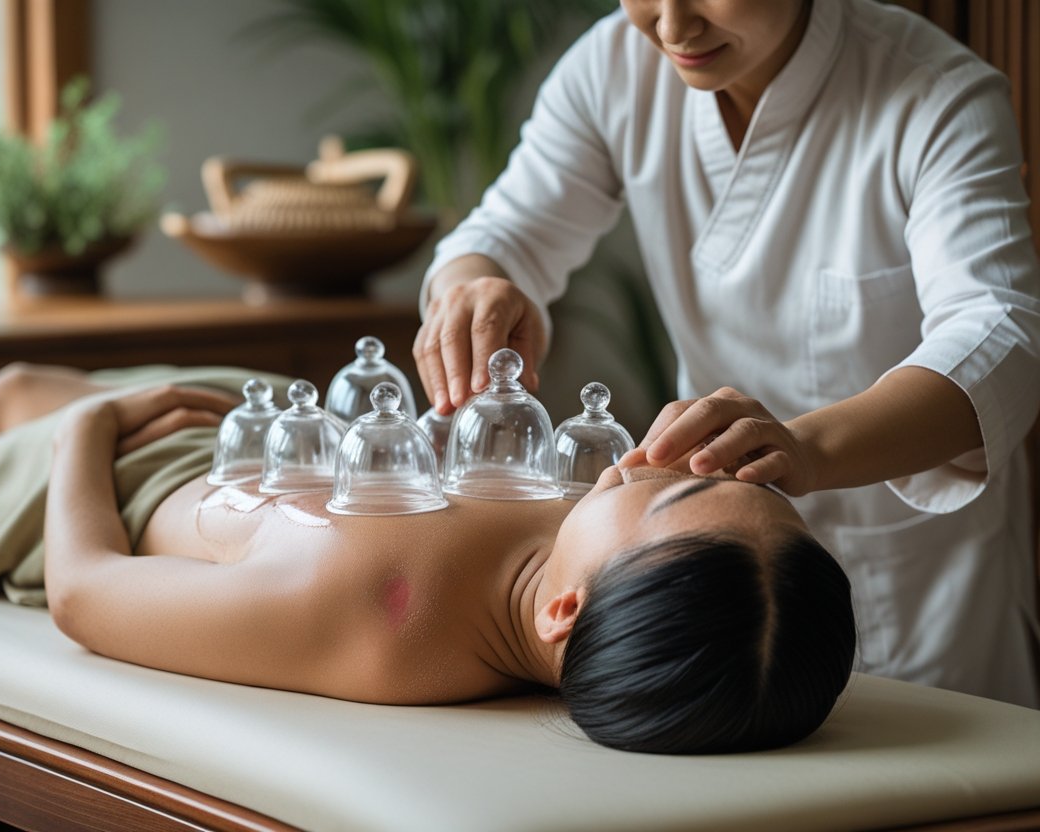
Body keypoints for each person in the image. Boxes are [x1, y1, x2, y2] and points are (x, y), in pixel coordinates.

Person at [414, 0, 1040, 707]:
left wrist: (805, 449)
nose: (674, 27)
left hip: (920, 594)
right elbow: (506, 232)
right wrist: (478, 286)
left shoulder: (937, 96)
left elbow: (1003, 336)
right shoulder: (615, 65)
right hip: (704, 596)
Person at [0, 365, 855, 754]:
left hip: (123, 474)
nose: (640, 459)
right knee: (30, 386)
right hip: (262, 424)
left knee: (17, 391)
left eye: (665, 489)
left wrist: (82, 435)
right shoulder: (594, 569)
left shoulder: (376, 607)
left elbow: (87, 595)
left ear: (563, 611)